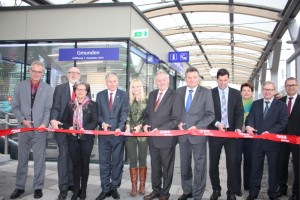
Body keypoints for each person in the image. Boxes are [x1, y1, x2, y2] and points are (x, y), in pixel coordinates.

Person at [10, 60, 53, 199]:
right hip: (23, 129)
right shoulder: (20, 86)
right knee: (22, 159)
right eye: (34, 71)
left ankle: (38, 187)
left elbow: (48, 110)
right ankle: (19, 187)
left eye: (39, 72)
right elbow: (15, 106)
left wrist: (44, 124)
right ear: (30, 71)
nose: (36, 74)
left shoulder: (48, 89)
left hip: (40, 130)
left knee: (39, 160)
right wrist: (22, 120)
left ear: (42, 73)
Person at [176, 67, 215, 200]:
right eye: (189, 77)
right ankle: (187, 191)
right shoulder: (179, 91)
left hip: (198, 135)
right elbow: (176, 112)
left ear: (198, 78)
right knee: (184, 165)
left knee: (199, 166)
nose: (191, 80)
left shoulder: (205, 92)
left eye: (194, 77)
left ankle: (198, 194)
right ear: (185, 78)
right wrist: (178, 122)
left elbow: (210, 115)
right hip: (183, 135)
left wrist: (197, 126)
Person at [245, 81, 288, 200]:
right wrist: (248, 126)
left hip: (273, 142)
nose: (267, 91)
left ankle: (272, 194)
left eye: (270, 89)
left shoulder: (281, 106)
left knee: (273, 169)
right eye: (265, 89)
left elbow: (282, 123)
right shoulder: (256, 104)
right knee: (255, 168)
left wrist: (270, 132)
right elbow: (250, 117)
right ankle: (253, 193)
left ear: (274, 91)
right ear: (262, 90)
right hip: (257, 142)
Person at [143, 70, 181, 200]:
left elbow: (176, 119)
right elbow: (147, 114)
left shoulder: (175, 95)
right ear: (155, 82)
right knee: (155, 167)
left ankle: (165, 194)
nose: (161, 82)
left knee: (167, 169)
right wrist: (146, 124)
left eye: (163, 80)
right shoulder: (152, 94)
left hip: (166, 139)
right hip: (152, 139)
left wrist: (159, 129)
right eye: (158, 80)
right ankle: (155, 191)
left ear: (168, 80)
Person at [207, 68, 244, 200]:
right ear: (216, 80)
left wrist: (239, 127)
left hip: (231, 134)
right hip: (215, 134)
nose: (223, 83)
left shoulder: (235, 94)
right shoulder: (210, 93)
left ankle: (231, 192)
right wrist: (217, 123)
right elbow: (208, 113)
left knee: (232, 164)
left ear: (229, 79)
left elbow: (239, 113)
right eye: (220, 80)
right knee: (213, 165)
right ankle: (216, 189)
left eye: (225, 80)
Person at [61, 82, 98, 200]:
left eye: (83, 89)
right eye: (78, 89)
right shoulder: (70, 104)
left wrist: (85, 129)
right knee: (76, 165)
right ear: (74, 91)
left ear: (87, 91)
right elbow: (64, 121)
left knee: (84, 164)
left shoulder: (93, 104)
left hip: (87, 139)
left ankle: (84, 191)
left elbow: (95, 121)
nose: (80, 91)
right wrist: (69, 127)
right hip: (72, 139)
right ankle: (76, 190)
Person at [95, 73, 130, 200]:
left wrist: (120, 128)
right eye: (109, 81)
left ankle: (114, 187)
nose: (112, 83)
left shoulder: (124, 95)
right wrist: (102, 123)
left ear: (117, 81)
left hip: (117, 135)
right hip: (103, 135)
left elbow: (125, 113)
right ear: (106, 82)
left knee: (117, 162)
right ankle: (105, 189)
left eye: (114, 81)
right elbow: (97, 113)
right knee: (104, 163)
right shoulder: (100, 95)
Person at [50, 66, 81, 200]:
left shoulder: (84, 88)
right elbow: (56, 106)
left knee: (74, 158)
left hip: (77, 130)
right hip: (62, 128)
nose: (74, 75)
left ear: (79, 75)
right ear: (67, 75)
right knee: (63, 157)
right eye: (71, 72)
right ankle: (63, 188)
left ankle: (72, 185)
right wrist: (53, 120)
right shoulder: (59, 88)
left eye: (76, 73)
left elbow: (88, 107)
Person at [277, 77, 299, 200]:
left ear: (297, 86)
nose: (291, 87)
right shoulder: (280, 102)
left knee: (297, 166)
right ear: (285, 87)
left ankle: (296, 192)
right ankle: (282, 188)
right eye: (288, 85)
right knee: (281, 165)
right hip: (282, 139)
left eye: (293, 85)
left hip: (297, 140)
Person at [125, 79, 148, 197]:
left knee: (142, 158)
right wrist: (128, 127)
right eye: (133, 87)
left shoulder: (147, 100)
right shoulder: (128, 101)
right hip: (130, 135)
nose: (135, 89)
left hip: (143, 134)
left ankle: (142, 185)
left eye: (138, 86)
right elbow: (127, 116)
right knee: (132, 159)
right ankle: (134, 186)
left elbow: (148, 116)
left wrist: (140, 126)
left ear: (141, 87)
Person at [236, 82, 254, 196]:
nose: (246, 92)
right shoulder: (237, 103)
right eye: (244, 90)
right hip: (238, 136)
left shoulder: (256, 104)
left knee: (249, 161)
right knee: (237, 161)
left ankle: (248, 185)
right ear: (241, 92)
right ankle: (237, 187)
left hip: (251, 137)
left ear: (252, 92)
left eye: (248, 90)